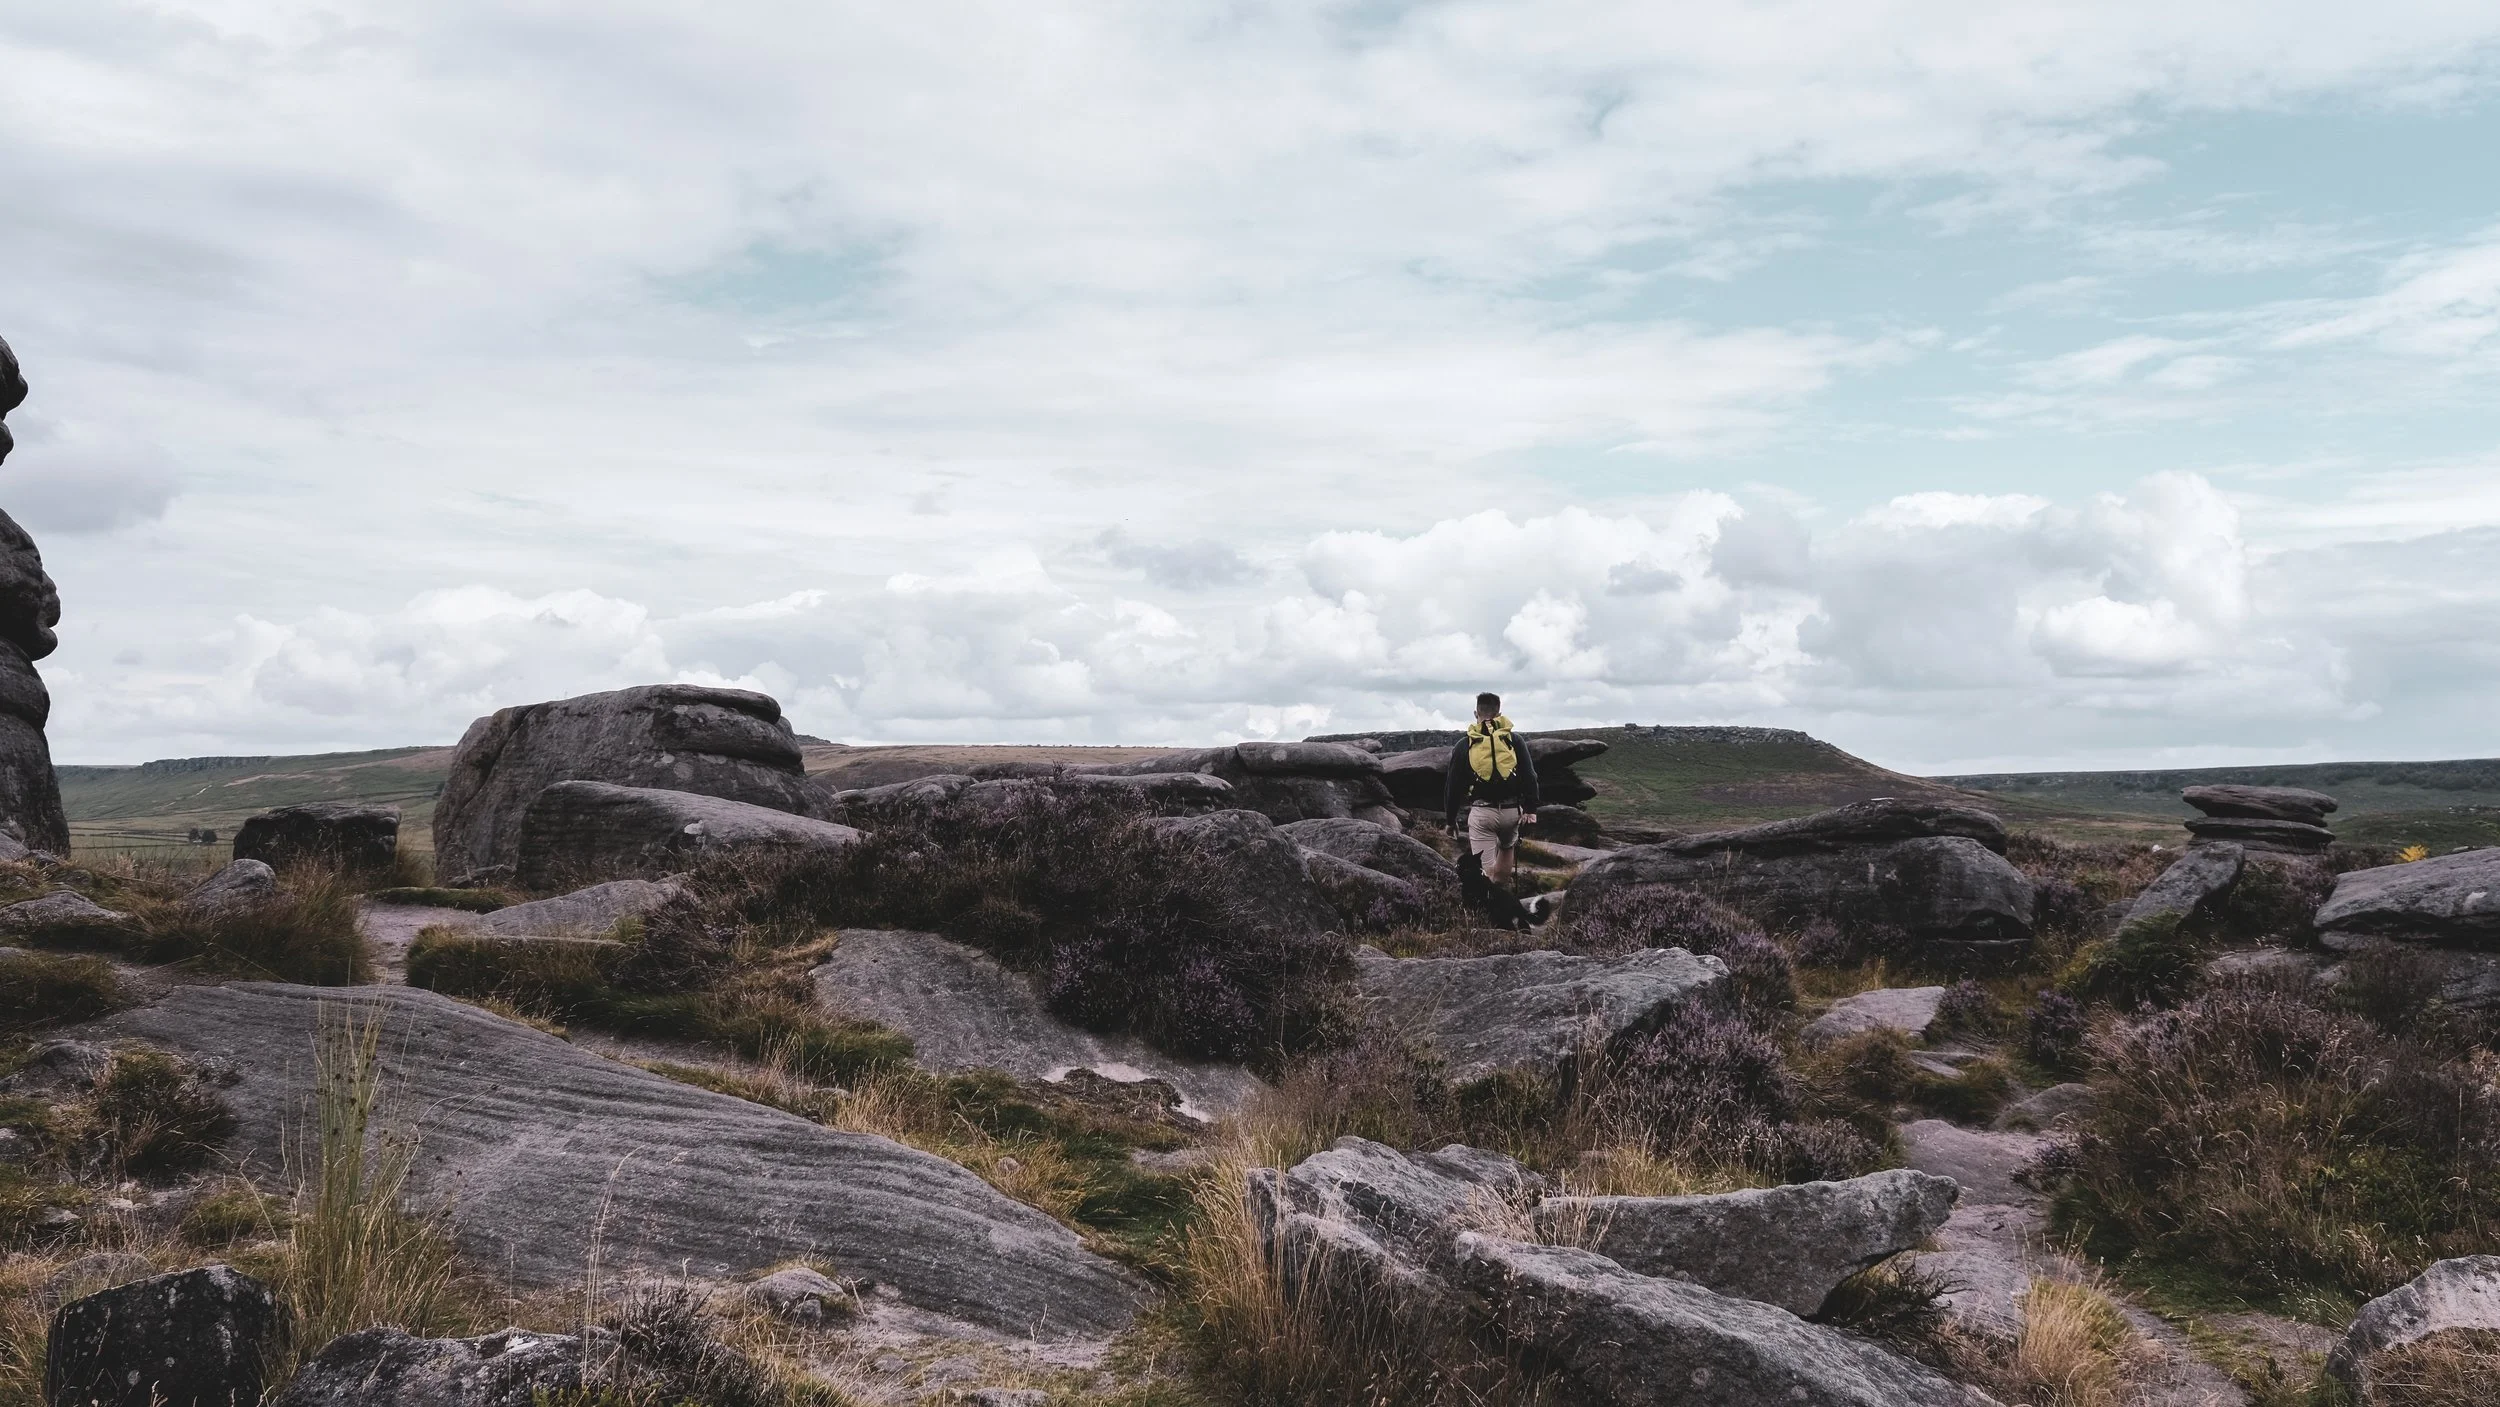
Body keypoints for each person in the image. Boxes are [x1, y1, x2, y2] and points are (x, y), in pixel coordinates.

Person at [1443, 692, 1541, 905]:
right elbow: (1529, 775)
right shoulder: (1513, 740)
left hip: (1482, 814)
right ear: (1499, 713)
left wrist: (1450, 821)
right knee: (1507, 847)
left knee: (1483, 871)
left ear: (1475, 713)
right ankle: (1502, 893)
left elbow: (1452, 787)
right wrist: (1531, 809)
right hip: (1510, 812)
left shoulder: (1464, 744)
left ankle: (1489, 909)